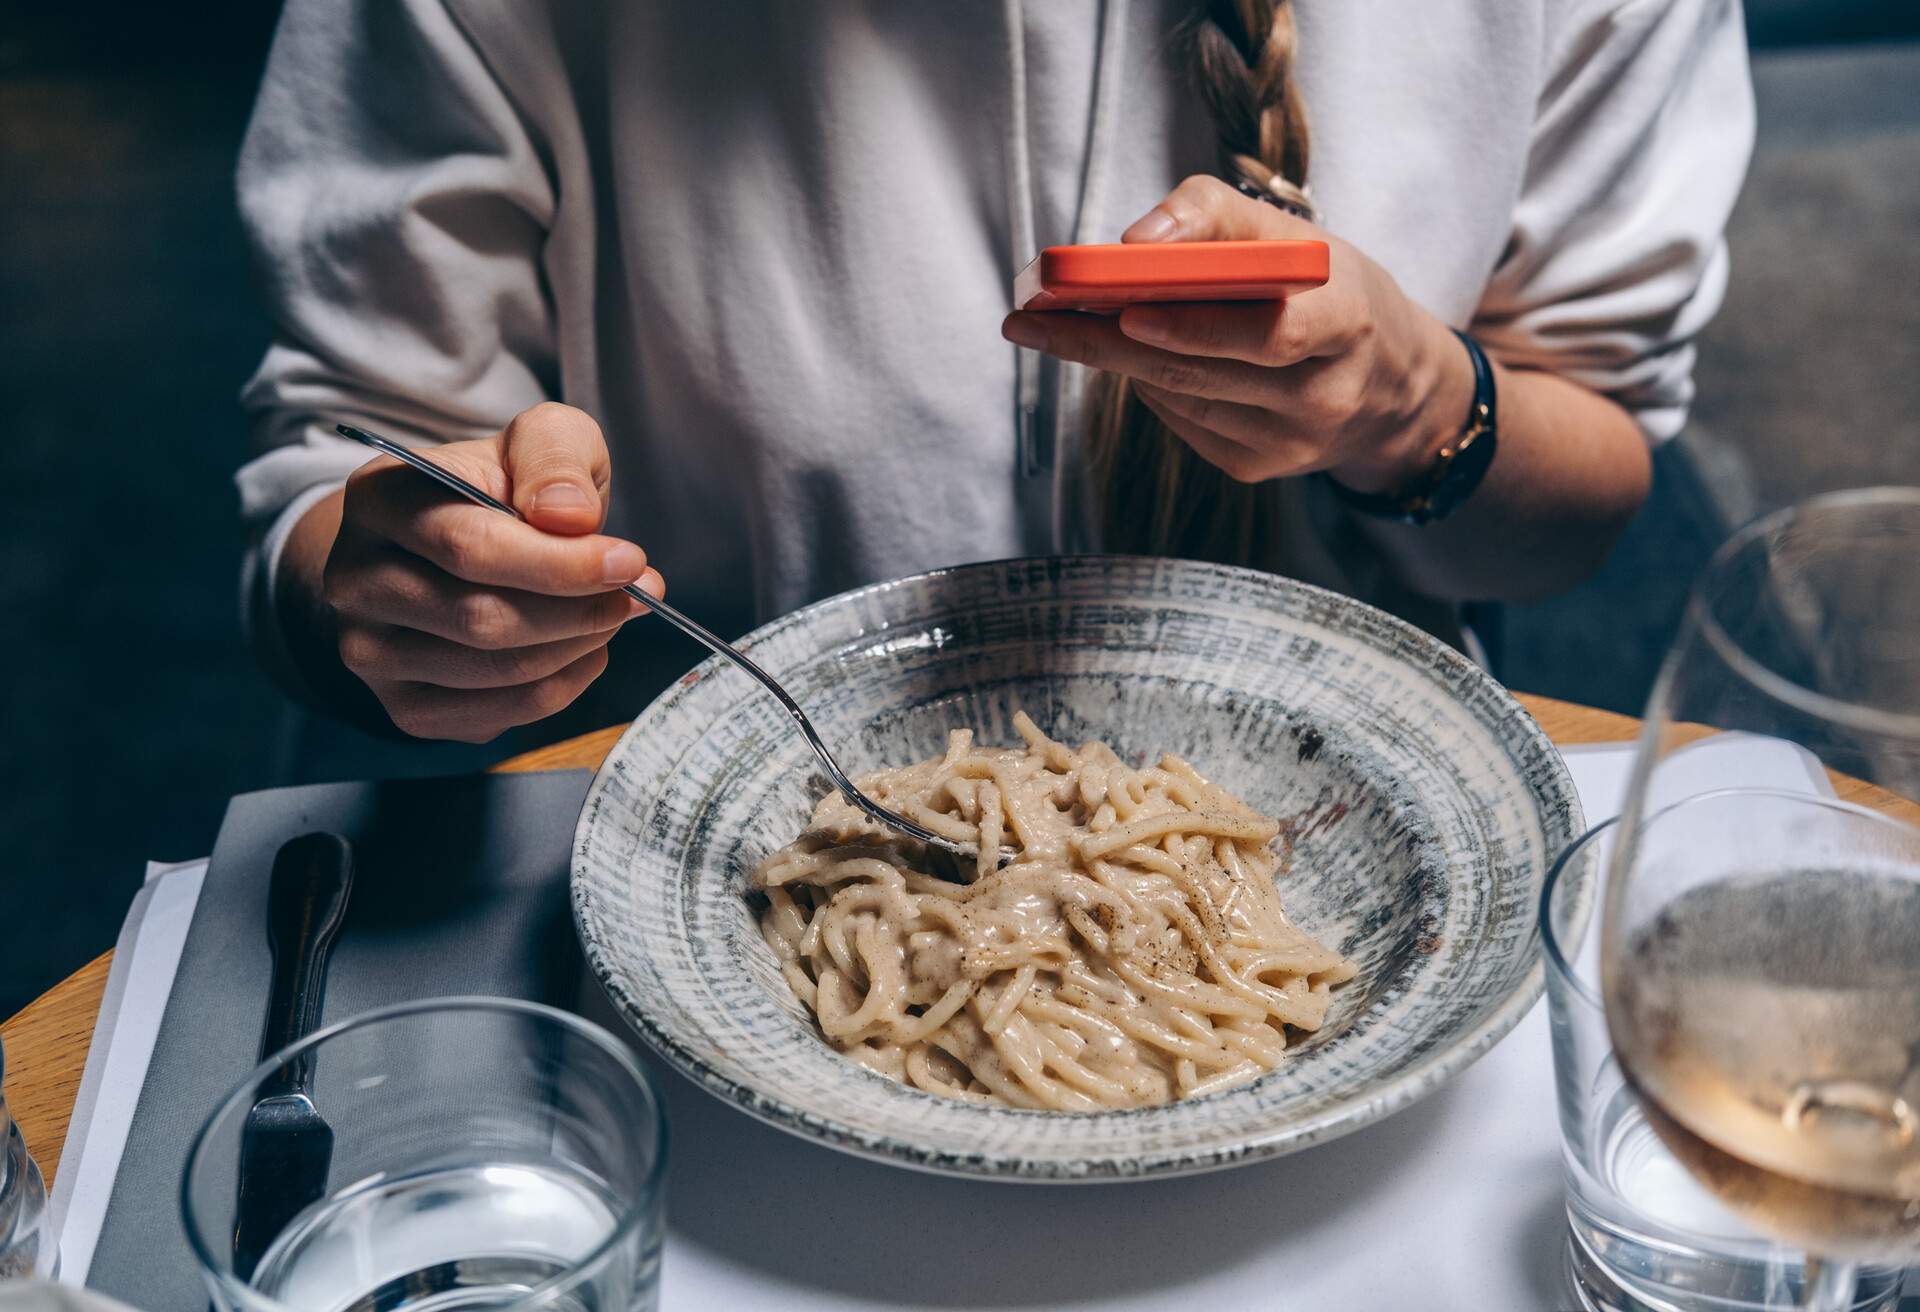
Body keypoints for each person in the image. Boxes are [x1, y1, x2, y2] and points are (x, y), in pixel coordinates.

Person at [236, 0, 1753, 746]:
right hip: (722, 867)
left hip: (1359, 832)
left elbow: (1585, 487)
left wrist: (1422, 411)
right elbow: (336, 474)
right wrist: (405, 598)